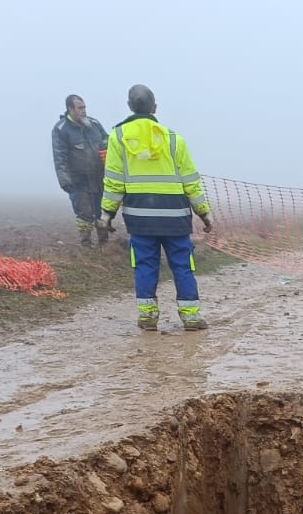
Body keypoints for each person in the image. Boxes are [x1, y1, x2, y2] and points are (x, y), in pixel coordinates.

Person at [101, 84, 213, 332]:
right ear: (155, 107)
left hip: (140, 219)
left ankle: (148, 317)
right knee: (183, 266)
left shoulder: (118, 137)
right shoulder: (174, 139)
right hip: (176, 218)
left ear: (130, 107)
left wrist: (106, 214)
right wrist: (204, 213)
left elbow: (113, 180)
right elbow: (191, 182)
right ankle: (191, 318)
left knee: (144, 266)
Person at [51, 95, 110, 247]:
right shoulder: (61, 129)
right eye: (80, 108)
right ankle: (86, 246)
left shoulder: (95, 124)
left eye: (84, 107)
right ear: (70, 109)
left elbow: (107, 140)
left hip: (99, 178)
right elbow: (60, 157)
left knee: (102, 213)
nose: (84, 111)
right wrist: (65, 181)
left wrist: (106, 148)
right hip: (78, 182)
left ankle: (104, 245)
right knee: (84, 215)